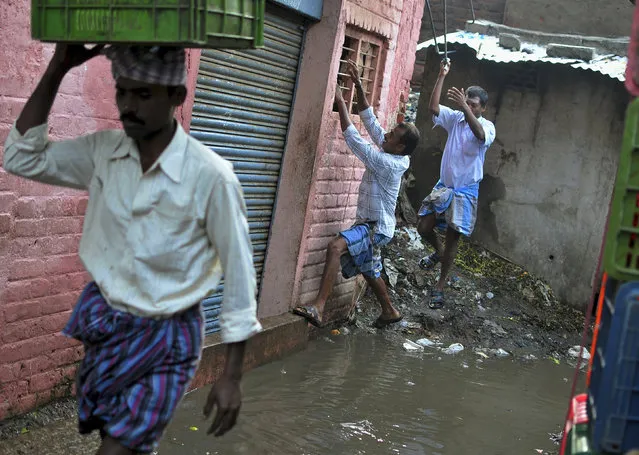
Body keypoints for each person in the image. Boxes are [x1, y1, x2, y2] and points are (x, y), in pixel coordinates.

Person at [3, 44, 262, 454]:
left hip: (168, 338)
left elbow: (240, 276)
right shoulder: (103, 153)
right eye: (123, 92)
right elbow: (20, 157)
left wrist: (231, 375)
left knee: (118, 448)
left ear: (177, 97)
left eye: (144, 95)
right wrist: (58, 67)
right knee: (118, 438)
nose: (128, 105)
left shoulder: (212, 177)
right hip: (105, 322)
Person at [293, 61, 420, 329]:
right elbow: (370, 121)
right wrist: (360, 85)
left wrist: (340, 102)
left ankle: (318, 307)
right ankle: (390, 311)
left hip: (374, 227)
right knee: (370, 269)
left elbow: (356, 142)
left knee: (336, 247)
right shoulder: (391, 150)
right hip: (376, 224)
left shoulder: (388, 163)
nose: (385, 134)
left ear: (401, 147)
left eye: (392, 135)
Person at [417, 59, 496, 309]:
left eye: (473, 105)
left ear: (482, 108)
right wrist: (441, 76)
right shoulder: (455, 118)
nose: (468, 108)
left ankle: (440, 286)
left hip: (466, 191)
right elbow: (433, 107)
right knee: (423, 226)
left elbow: (480, 136)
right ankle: (438, 253)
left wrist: (465, 109)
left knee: (453, 239)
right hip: (445, 185)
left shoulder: (486, 126)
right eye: (467, 103)